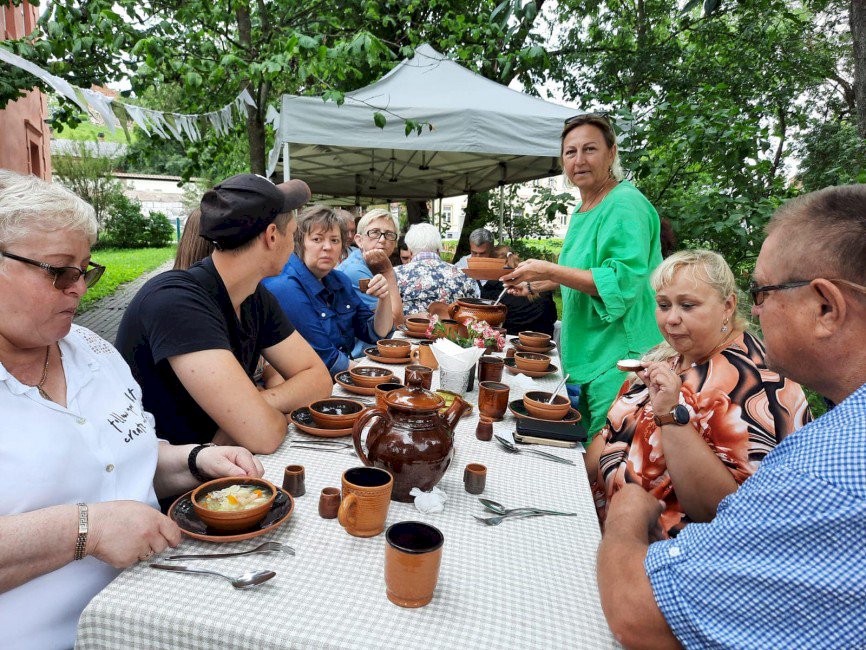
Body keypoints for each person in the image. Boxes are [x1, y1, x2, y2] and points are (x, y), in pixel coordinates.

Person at [0, 171, 264, 649]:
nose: (78, 288)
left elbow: (125, 460)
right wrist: (85, 530)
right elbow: (99, 512)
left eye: (85, 269)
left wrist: (193, 460)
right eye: (59, 271)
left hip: (158, 613)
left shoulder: (91, 350)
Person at [597, 185, 866, 649]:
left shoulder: (820, 460)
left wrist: (625, 511)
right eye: (664, 305)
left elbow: (643, 614)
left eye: (762, 291)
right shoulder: (661, 357)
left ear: (826, 307)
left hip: (653, 572)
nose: (757, 309)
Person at [586, 249, 811, 537]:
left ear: (727, 306)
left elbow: (724, 510)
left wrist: (669, 415)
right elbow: (611, 434)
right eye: (664, 305)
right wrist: (570, 484)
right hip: (604, 530)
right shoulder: (670, 356)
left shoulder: (753, 382)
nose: (671, 319)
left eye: (688, 305)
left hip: (668, 559)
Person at [116, 174, 331, 455]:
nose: (294, 246)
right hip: (168, 489)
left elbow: (319, 379)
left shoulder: (254, 296)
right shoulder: (177, 301)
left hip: (225, 468)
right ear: (271, 236)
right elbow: (263, 435)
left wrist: (258, 403)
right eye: (293, 235)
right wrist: (267, 414)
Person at [504, 113, 663, 441]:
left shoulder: (624, 204)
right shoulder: (585, 207)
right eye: (570, 152)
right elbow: (588, 273)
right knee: (586, 449)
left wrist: (549, 269)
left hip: (621, 355)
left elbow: (620, 282)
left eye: (589, 149)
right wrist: (537, 284)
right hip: (590, 351)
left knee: (607, 455)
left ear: (612, 153)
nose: (579, 160)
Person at [264, 205, 394, 376]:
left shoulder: (339, 280)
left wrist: (384, 298)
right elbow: (326, 357)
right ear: (301, 243)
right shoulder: (285, 286)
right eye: (317, 239)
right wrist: (380, 375)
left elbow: (375, 333)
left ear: (342, 247)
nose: (327, 247)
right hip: (310, 384)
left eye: (334, 240)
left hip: (339, 377)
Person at [459, 229, 558, 335]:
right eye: (474, 253)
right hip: (544, 340)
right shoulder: (540, 284)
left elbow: (488, 322)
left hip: (511, 340)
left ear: (492, 262)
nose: (478, 259)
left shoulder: (491, 290)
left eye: (483, 255)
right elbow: (553, 317)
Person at [337, 207, 405, 329]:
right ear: (359, 240)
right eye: (375, 232)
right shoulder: (355, 270)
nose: (383, 239)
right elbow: (394, 322)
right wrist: (388, 272)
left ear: (395, 243)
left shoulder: (378, 263)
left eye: (389, 234)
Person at [395, 222, 480, 315]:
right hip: (453, 329)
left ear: (410, 249)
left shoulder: (396, 274)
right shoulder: (464, 276)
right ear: (439, 249)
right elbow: (475, 313)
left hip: (409, 329)